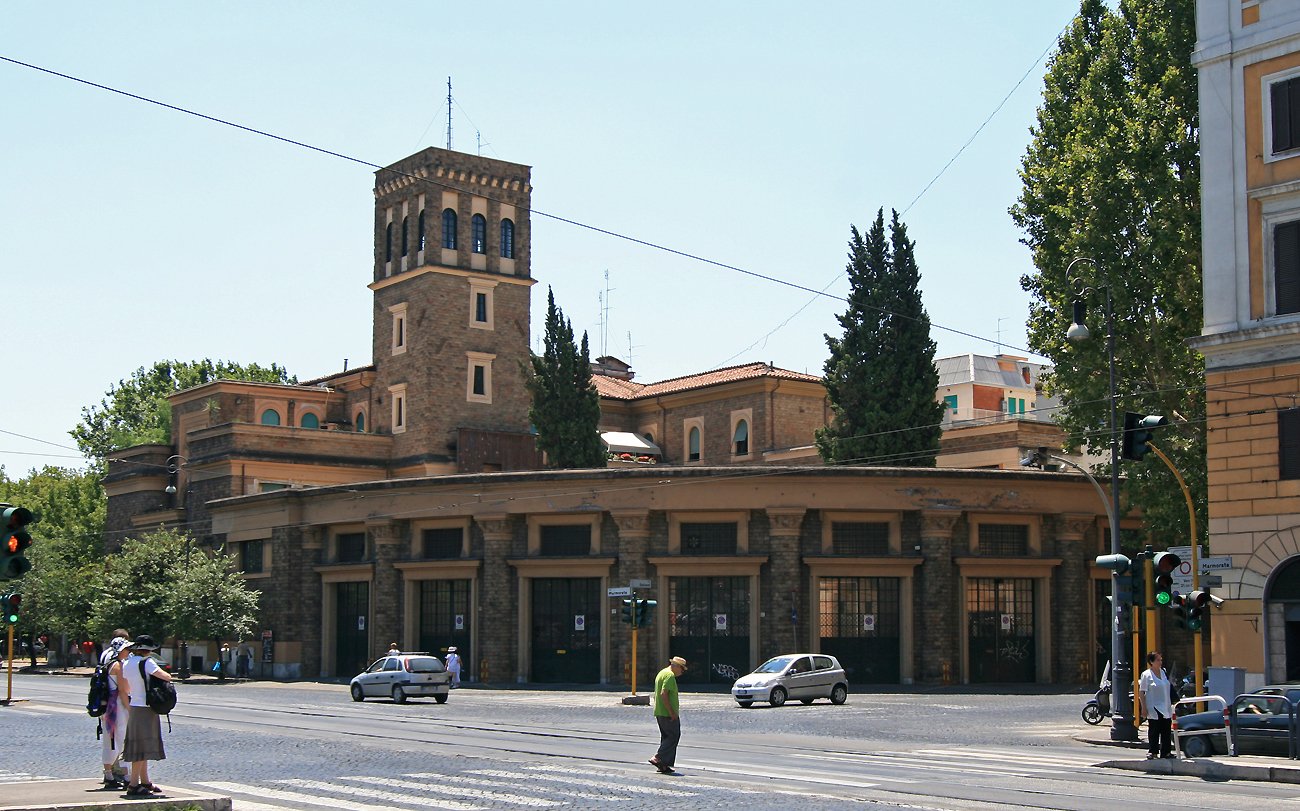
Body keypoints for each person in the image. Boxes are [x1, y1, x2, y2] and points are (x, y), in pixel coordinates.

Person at [121, 634, 174, 797]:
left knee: (139, 745)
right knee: (142, 747)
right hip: (146, 707)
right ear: (148, 650)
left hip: (135, 706)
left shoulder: (127, 663)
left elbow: (128, 686)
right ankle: (134, 784)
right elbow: (166, 676)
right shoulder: (147, 662)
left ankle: (145, 781)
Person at [99, 638, 132, 789]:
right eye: (126, 649)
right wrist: (130, 709)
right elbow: (123, 691)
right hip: (117, 708)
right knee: (122, 741)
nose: (129, 652)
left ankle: (108, 775)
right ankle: (127, 776)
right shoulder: (119, 667)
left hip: (107, 708)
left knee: (109, 741)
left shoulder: (108, 664)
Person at [648, 656, 687, 774]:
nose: (682, 672)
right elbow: (663, 694)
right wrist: (672, 713)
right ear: (676, 666)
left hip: (659, 711)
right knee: (673, 736)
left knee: (666, 737)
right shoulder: (669, 676)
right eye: (682, 669)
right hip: (667, 713)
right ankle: (658, 757)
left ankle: (663, 765)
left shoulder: (662, 673)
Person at [1139, 650, 1174, 759]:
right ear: (1151, 661)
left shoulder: (1163, 672)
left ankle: (1166, 752)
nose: (1160, 662)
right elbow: (1142, 692)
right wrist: (1143, 708)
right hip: (1154, 706)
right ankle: (1153, 751)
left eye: (1161, 660)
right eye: (1158, 660)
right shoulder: (1146, 675)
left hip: (1166, 705)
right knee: (1154, 730)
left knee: (1166, 730)